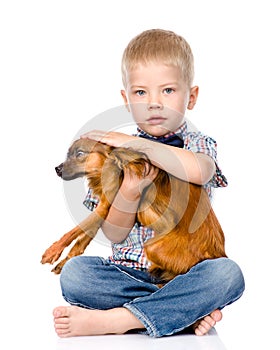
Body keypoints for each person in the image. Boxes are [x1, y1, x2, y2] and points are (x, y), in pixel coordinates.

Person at [53, 29, 245, 338]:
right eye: (141, 93)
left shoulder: (197, 144)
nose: (154, 103)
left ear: (191, 97)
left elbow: (201, 171)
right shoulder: (111, 157)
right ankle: (178, 312)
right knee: (76, 275)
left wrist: (138, 145)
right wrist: (128, 193)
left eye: (168, 90)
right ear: (126, 100)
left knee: (226, 275)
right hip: (127, 275)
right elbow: (114, 233)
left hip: (184, 275)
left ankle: (122, 319)